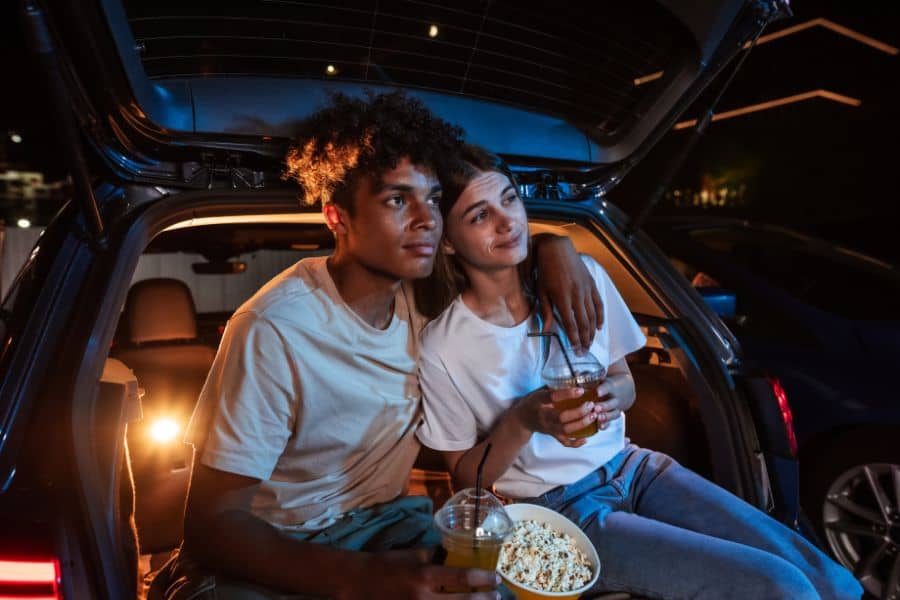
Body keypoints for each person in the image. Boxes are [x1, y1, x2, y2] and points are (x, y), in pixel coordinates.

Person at [151, 91, 603, 600]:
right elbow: (215, 525)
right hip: (274, 547)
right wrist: (362, 580)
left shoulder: (424, 289)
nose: (427, 218)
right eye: (396, 200)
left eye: (432, 198)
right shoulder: (273, 328)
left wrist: (554, 247)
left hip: (386, 524)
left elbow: (497, 249)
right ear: (337, 218)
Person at [415, 145, 863, 600]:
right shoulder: (444, 345)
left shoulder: (580, 277)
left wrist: (612, 393)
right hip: (556, 509)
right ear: (448, 241)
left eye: (510, 199)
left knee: (816, 569)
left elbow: (625, 383)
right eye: (479, 216)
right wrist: (526, 417)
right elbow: (466, 479)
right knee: (780, 585)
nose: (507, 221)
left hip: (634, 466)